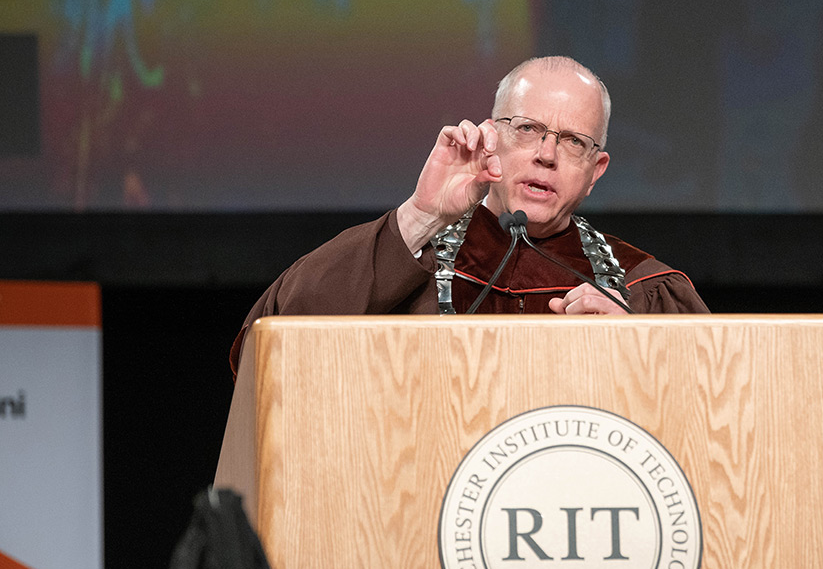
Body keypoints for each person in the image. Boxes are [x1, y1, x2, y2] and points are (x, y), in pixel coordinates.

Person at [230, 56, 709, 374]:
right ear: (490, 136)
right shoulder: (413, 257)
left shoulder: (643, 291)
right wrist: (421, 215)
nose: (546, 155)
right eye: (528, 129)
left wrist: (643, 352)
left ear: (595, 169)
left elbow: (725, 414)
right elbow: (271, 349)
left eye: (573, 142)